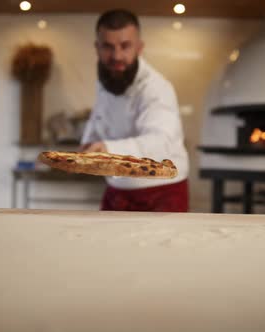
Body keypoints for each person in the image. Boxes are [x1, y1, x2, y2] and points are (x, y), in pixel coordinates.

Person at [80, 9, 189, 212]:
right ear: (97, 48)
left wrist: (107, 149)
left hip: (160, 191)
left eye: (125, 46)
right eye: (108, 47)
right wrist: (89, 140)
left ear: (139, 48)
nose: (116, 56)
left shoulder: (156, 88)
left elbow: (161, 140)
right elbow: (100, 115)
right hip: (116, 188)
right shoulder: (107, 77)